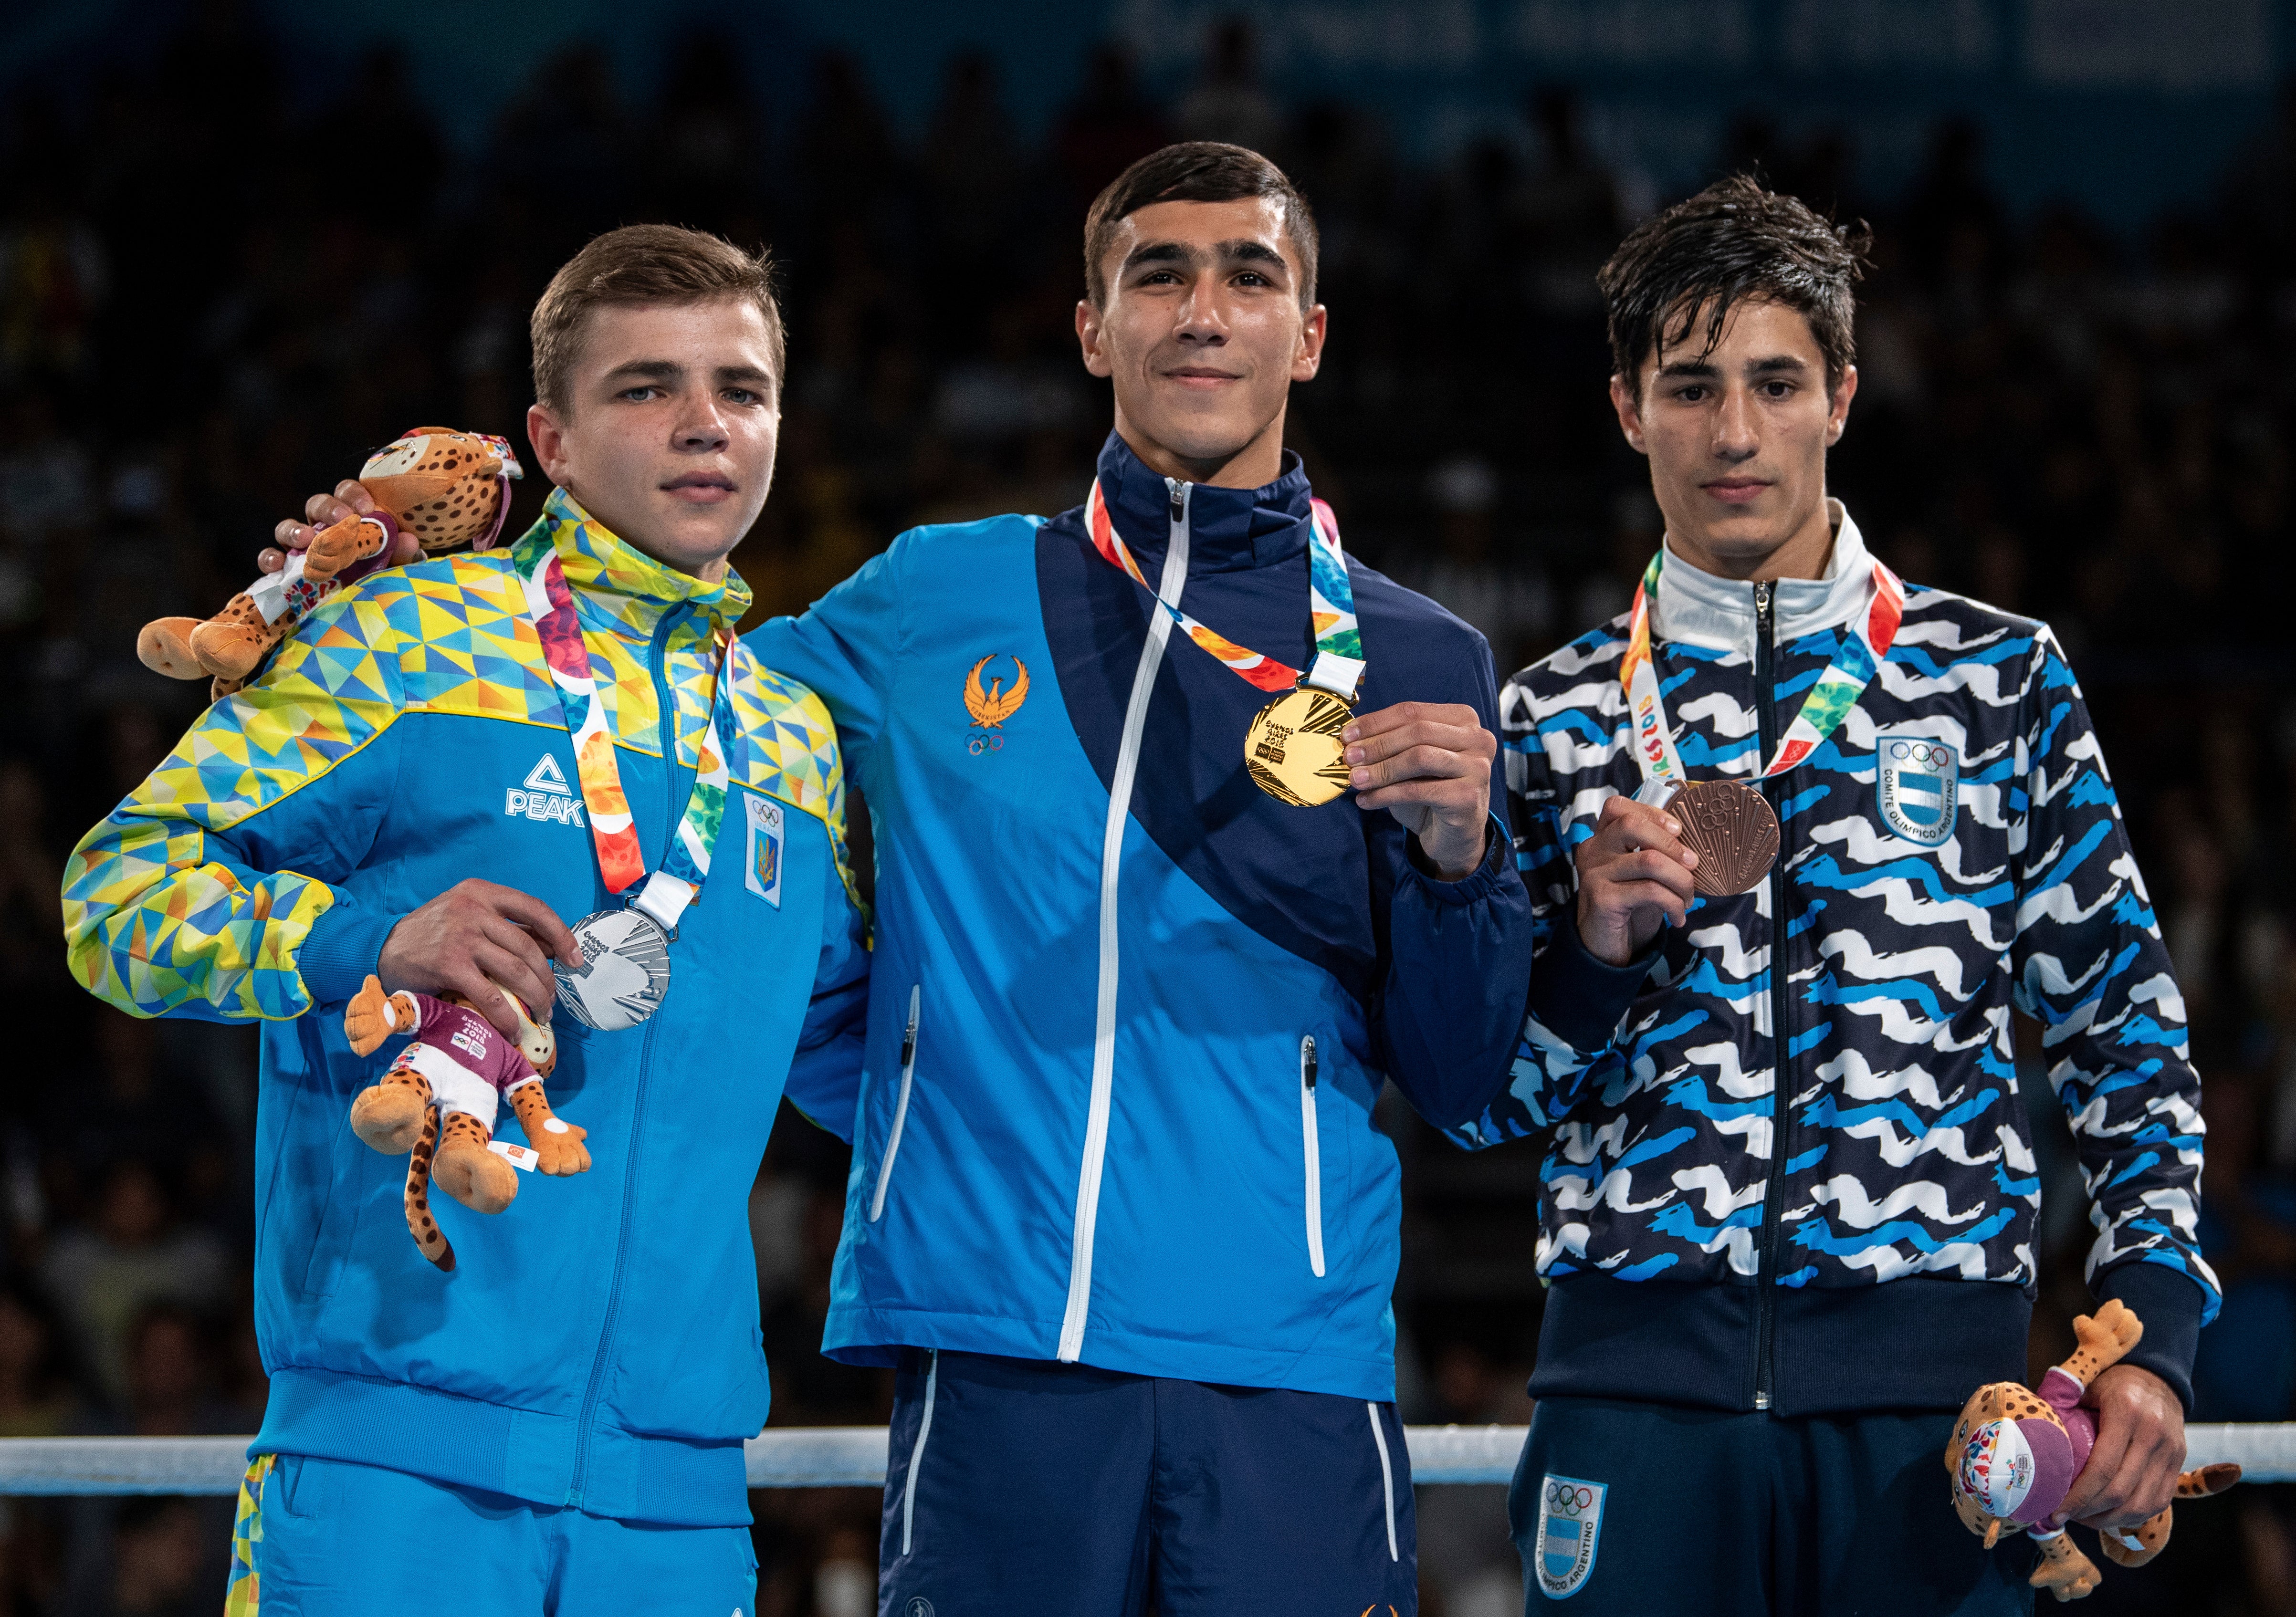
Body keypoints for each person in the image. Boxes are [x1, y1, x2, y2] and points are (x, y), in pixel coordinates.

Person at [745, 142, 1584, 1614]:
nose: (1204, 310)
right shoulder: (928, 598)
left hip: (1285, 1364)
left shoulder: (1422, 661)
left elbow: (1460, 1081)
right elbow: (683, 738)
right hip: (997, 1348)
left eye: (1249, 276)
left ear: (1307, 335)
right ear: (1093, 329)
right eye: (1160, 274)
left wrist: (1464, 869)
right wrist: (888, 1070)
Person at [63, 225, 867, 1615]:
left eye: (741, 390)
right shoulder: (406, 640)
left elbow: (856, 1050)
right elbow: (115, 895)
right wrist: (364, 939)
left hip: (675, 1500)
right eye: (645, 388)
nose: (702, 426)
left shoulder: (792, 740)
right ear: (549, 441)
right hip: (395, 1466)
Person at [1464, 174, 2219, 1613]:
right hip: (1633, 1402)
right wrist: (1585, 955)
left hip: (1929, 1426)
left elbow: (2123, 1030)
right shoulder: (1549, 718)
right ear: (1626, 409)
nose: (1733, 432)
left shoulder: (1995, 682)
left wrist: (2157, 1335)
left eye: (1773, 383)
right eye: (1688, 388)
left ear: (1842, 396)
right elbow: (1481, 1099)